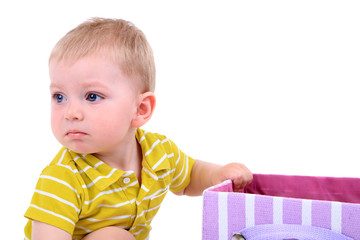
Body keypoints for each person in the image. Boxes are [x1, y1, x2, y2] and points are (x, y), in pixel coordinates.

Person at [24, 17, 253, 240]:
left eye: (92, 96)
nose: (70, 112)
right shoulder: (62, 178)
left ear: (140, 109)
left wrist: (217, 175)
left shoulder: (159, 152)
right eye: (59, 96)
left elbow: (190, 175)